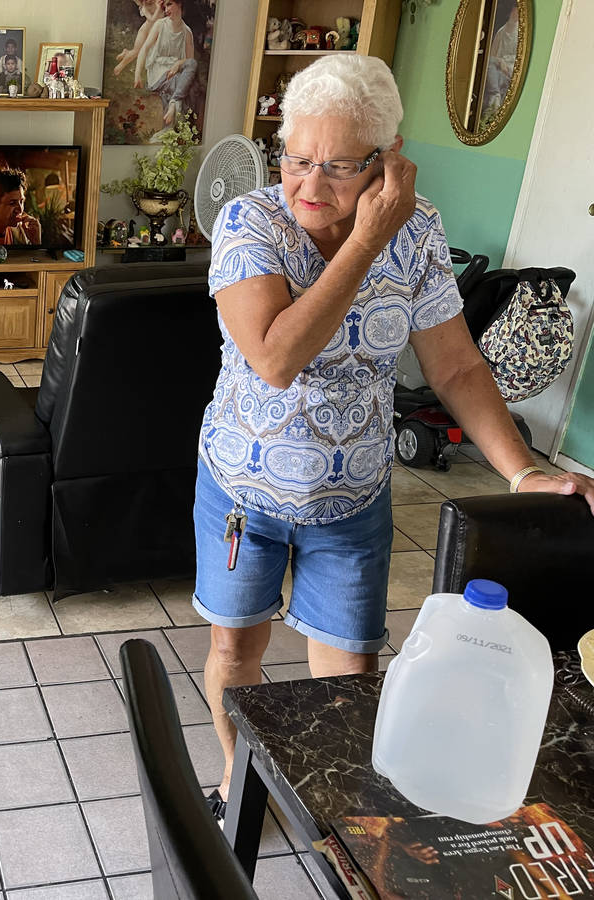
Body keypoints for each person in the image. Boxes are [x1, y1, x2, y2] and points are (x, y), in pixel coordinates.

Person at [197, 54, 594, 821]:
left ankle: (328, 807)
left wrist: (520, 471)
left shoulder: (420, 231)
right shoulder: (251, 221)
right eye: (297, 159)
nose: (310, 185)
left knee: (350, 676)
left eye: (339, 166)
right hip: (244, 491)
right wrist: (365, 239)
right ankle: (235, 783)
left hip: (355, 496)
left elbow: (454, 364)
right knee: (233, 652)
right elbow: (276, 358)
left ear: (389, 159)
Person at [133, 0, 199, 131]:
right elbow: (144, 49)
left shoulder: (187, 32)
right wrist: (137, 75)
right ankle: (176, 119)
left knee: (191, 67)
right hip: (158, 72)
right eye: (164, 6)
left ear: (179, 4)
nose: (166, 9)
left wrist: (179, 63)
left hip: (175, 72)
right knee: (181, 84)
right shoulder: (159, 25)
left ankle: (173, 104)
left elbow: (190, 63)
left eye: (169, 4)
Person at [114, 0, 163, 76]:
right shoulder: (144, 8)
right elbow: (152, 19)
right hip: (146, 30)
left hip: (156, 31)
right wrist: (158, 8)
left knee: (149, 52)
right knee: (136, 51)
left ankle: (126, 53)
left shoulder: (158, 2)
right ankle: (120, 66)